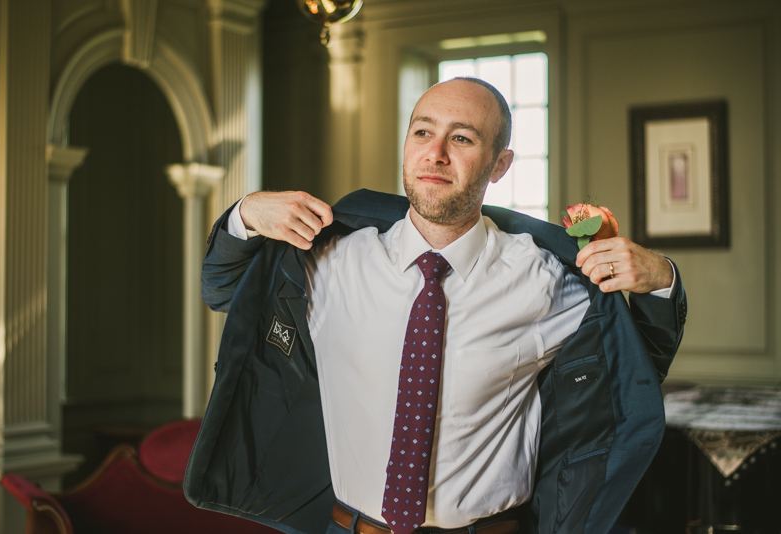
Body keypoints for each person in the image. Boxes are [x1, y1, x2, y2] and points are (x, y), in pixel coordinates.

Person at [184, 78, 687, 534]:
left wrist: (661, 280)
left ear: (500, 164)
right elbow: (223, 291)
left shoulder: (546, 277)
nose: (436, 154)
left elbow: (633, 370)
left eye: (462, 138)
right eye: (423, 132)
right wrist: (244, 214)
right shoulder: (327, 258)